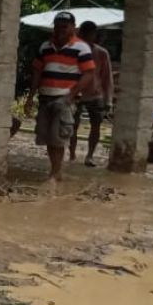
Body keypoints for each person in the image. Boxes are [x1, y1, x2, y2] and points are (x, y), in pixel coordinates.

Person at [24, 11, 97, 181]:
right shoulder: (45, 47)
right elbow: (37, 72)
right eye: (58, 26)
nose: (61, 29)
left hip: (64, 98)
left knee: (58, 136)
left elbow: (89, 73)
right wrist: (30, 97)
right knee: (47, 136)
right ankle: (55, 171)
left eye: (65, 26)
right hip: (45, 96)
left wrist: (71, 95)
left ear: (73, 27)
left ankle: (56, 172)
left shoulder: (81, 47)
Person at [69, 21, 113, 167]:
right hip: (75, 93)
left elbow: (107, 78)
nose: (87, 37)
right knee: (71, 126)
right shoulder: (73, 50)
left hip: (95, 94)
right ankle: (72, 154)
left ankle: (89, 156)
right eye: (84, 34)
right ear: (80, 34)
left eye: (90, 34)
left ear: (94, 35)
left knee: (96, 126)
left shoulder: (101, 53)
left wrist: (108, 101)